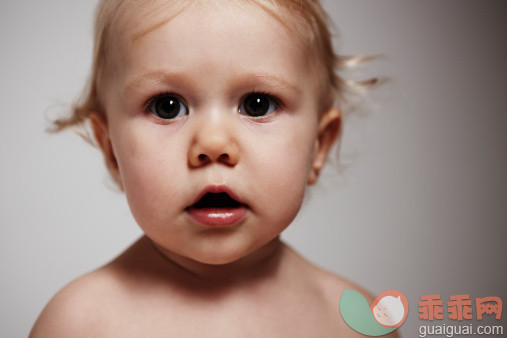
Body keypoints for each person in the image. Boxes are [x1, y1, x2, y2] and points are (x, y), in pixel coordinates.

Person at [30, 0, 396, 336]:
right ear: (112, 151)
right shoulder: (78, 324)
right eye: (167, 106)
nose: (214, 144)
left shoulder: (358, 322)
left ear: (320, 145)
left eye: (257, 104)